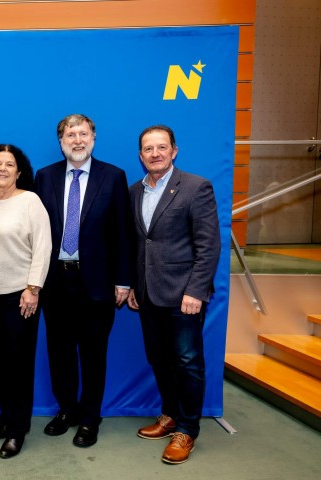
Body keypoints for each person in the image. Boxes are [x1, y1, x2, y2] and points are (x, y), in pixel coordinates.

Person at [34, 113, 132, 448]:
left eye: (83, 134)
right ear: (61, 142)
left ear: (93, 138)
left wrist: (123, 280)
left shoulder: (113, 176)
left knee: (93, 354)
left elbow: (122, 232)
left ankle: (90, 418)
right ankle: (67, 410)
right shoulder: (44, 177)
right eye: (70, 135)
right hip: (55, 282)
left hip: (97, 283)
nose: (77, 140)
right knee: (59, 352)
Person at [127, 124, 220, 465]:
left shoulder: (196, 187)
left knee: (188, 362)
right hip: (148, 294)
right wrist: (134, 285)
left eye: (161, 147)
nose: (155, 153)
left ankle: (187, 429)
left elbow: (209, 245)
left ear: (174, 151)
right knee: (159, 358)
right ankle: (170, 415)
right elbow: (138, 244)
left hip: (184, 296)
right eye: (148, 149)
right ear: (141, 156)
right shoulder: (134, 192)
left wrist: (195, 290)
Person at [0, 144, 51, 459]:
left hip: (20, 297)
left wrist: (33, 289)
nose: (2, 169)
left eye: (9, 164)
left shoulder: (30, 201)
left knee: (19, 365)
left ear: (19, 172)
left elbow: (43, 247)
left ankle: (18, 429)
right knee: (0, 361)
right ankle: (7, 416)